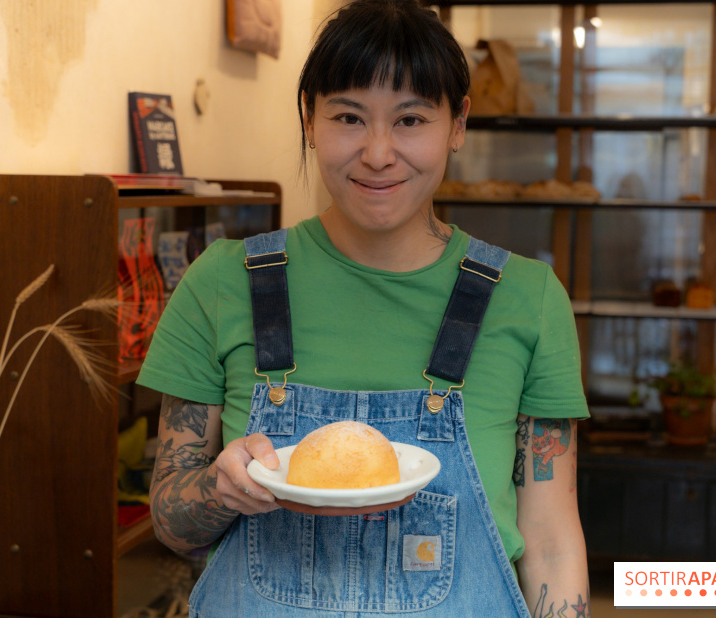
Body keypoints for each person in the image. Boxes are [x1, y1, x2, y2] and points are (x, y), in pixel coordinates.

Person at [138, 1, 591, 616]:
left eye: (411, 120)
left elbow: (552, 544)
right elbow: (171, 521)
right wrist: (221, 490)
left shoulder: (529, 298)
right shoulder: (224, 283)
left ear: (457, 124)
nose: (378, 153)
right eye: (349, 116)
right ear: (309, 118)